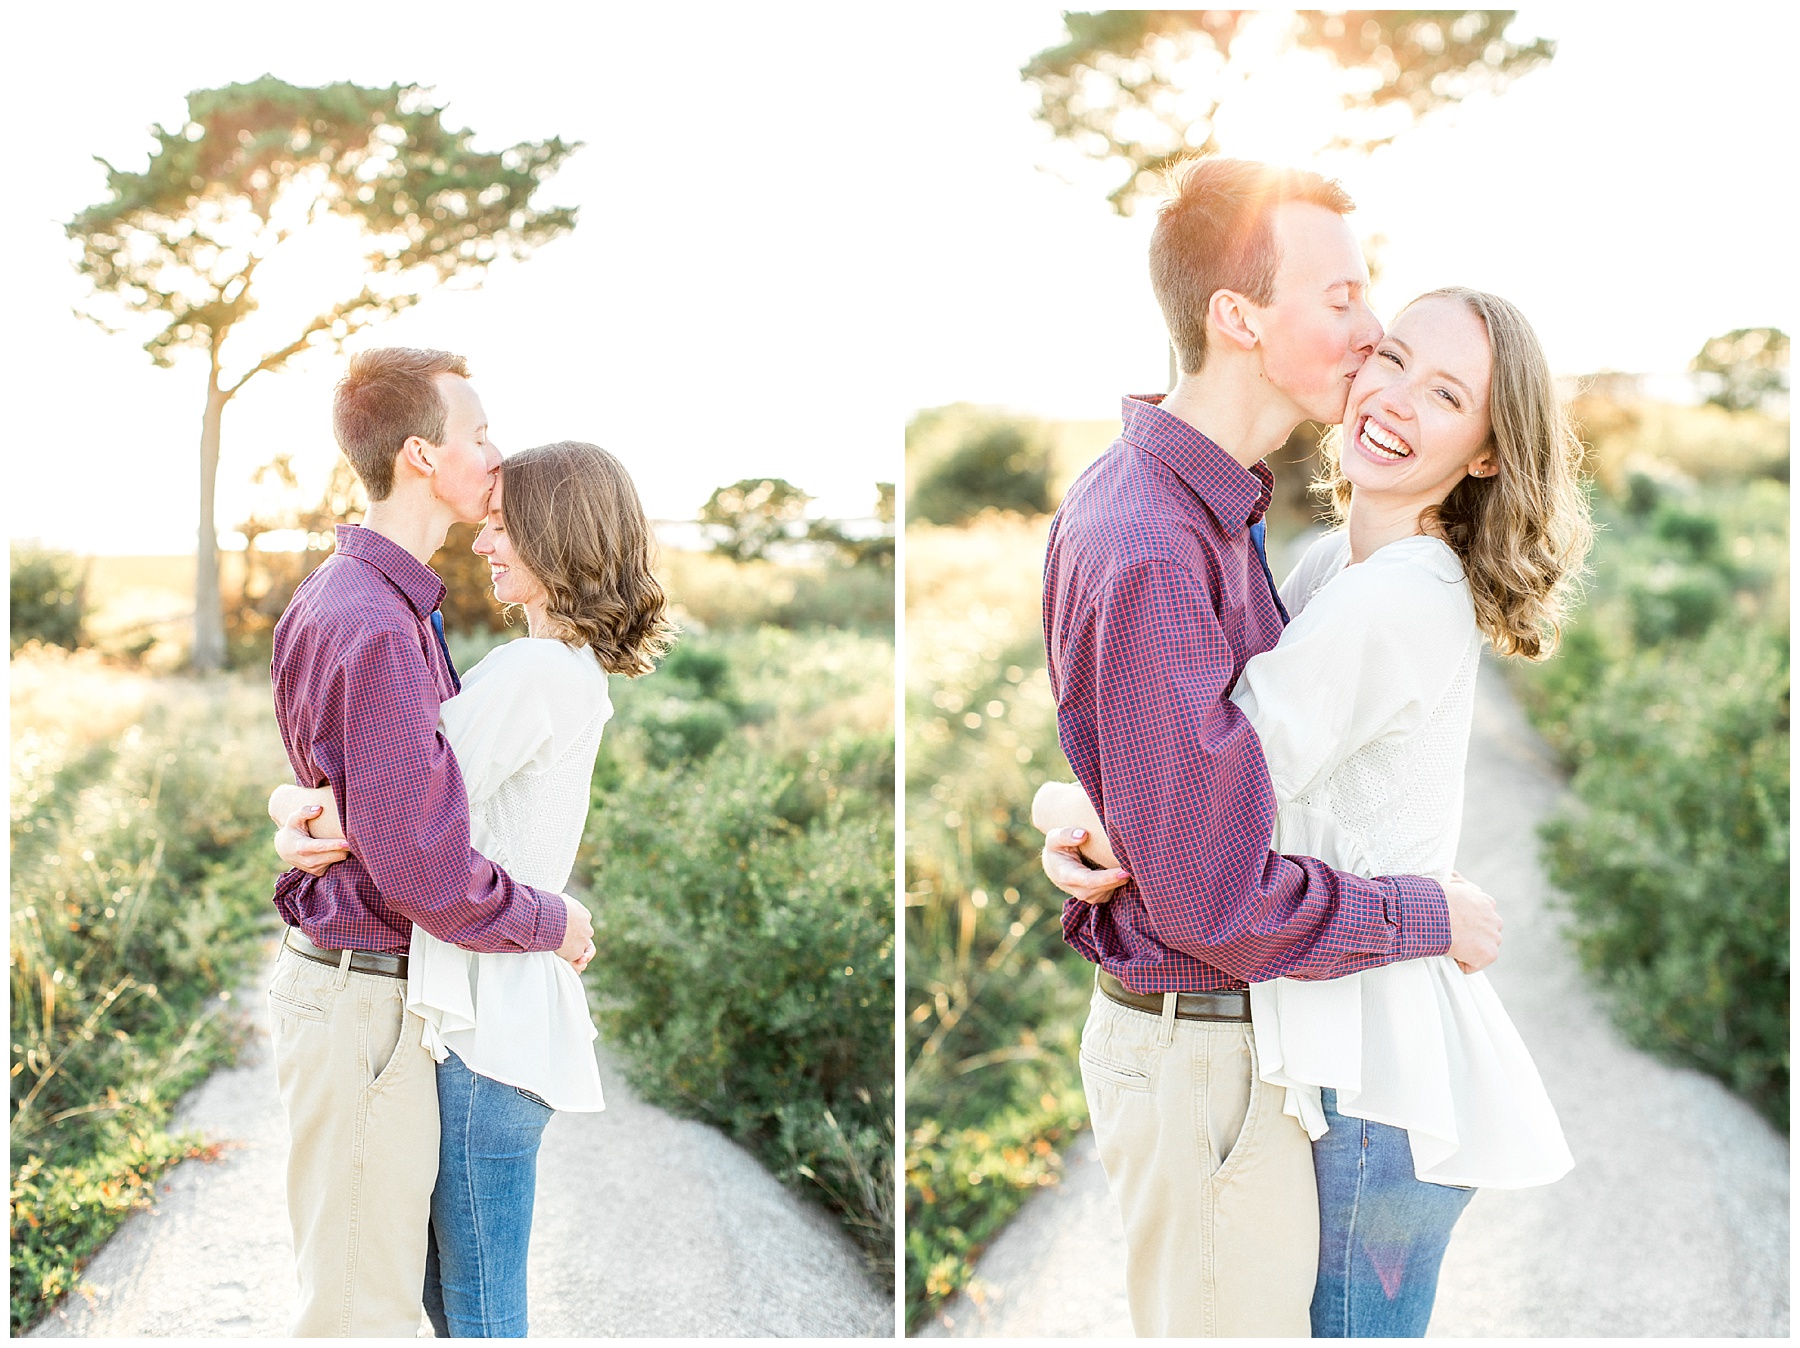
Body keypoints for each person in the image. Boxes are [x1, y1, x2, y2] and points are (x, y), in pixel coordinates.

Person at [1038, 285, 1591, 1335]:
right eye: (1389, 356)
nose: (1393, 397)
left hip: (1372, 1061)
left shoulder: (1399, 595)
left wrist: (1074, 806)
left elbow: (1219, 768)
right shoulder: (1331, 562)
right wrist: (1071, 804)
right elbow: (1190, 765)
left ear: (1484, 451)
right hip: (1338, 1034)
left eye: (1446, 393)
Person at [272, 439, 674, 1336]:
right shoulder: (551, 670)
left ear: (553, 536)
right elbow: (388, 794)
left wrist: (295, 808)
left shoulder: (534, 675)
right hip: (494, 1011)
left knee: (479, 1307)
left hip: (495, 1028)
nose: (485, 542)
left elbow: (386, 810)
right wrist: (294, 803)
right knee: (457, 1298)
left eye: (503, 525)